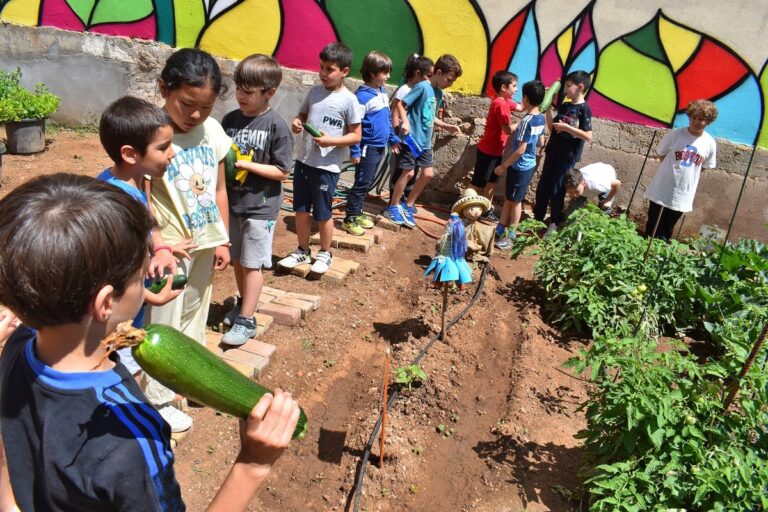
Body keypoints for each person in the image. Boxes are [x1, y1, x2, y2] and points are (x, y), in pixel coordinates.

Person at [0, 174, 300, 511]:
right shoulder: (129, 437)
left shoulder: (18, 346)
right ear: (104, 303)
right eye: (141, 275)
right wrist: (253, 464)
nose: (147, 280)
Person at [146, 48, 233, 424]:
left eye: (206, 106)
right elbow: (141, 197)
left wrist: (224, 238)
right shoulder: (151, 133)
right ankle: (157, 401)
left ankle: (187, 378)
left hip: (205, 242)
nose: (196, 115)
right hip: (170, 249)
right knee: (164, 319)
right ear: (164, 88)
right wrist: (158, 245)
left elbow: (218, 190)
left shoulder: (212, 131)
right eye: (186, 104)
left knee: (194, 312)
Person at [98, 95, 192, 430]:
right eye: (163, 147)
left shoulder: (129, 181)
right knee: (127, 366)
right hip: (119, 318)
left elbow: (147, 214)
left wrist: (161, 246)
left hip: (130, 305)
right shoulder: (116, 203)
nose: (172, 153)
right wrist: (150, 296)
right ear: (130, 153)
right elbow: (111, 271)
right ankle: (131, 425)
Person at [220, 54, 293, 345]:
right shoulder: (230, 120)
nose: (240, 95)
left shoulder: (276, 127)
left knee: (252, 265)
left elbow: (282, 171)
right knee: (238, 261)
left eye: (248, 91)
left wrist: (248, 166)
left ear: (269, 92)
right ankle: (243, 304)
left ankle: (247, 320)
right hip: (234, 204)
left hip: (260, 207)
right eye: (238, 88)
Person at [277, 42, 362, 274]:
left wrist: (331, 141)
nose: (323, 73)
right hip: (304, 161)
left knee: (323, 213)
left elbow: (356, 136)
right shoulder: (314, 92)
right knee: (301, 210)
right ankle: (302, 251)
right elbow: (303, 115)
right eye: (321, 67)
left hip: (327, 166)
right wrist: (297, 122)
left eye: (330, 69)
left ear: (344, 71)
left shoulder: (349, 101)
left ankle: (325, 253)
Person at [384, 54, 462, 228]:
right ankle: (393, 206)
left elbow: (430, 115)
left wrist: (446, 125)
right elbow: (401, 105)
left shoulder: (438, 93)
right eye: (449, 79)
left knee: (428, 174)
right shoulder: (422, 87)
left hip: (425, 142)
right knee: (409, 173)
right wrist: (405, 122)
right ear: (439, 72)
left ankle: (408, 205)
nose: (450, 84)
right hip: (411, 139)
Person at [343, 51, 400, 236]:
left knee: (366, 183)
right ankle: (350, 218)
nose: (388, 76)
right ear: (373, 73)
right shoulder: (362, 97)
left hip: (379, 147)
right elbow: (354, 126)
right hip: (367, 148)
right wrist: (355, 151)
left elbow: (386, 120)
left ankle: (358, 213)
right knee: (361, 183)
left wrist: (392, 139)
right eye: (385, 73)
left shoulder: (382, 92)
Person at [644, 99, 718, 241]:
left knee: (668, 226)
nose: (696, 122)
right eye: (693, 117)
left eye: (701, 119)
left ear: (708, 121)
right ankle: (644, 249)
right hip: (662, 186)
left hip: (683, 192)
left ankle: (659, 255)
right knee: (653, 222)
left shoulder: (709, 143)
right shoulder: (676, 134)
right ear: (689, 117)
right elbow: (661, 153)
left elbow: (705, 167)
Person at [533, 70, 593, 233]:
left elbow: (588, 136)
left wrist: (568, 128)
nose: (565, 89)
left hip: (567, 156)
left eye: (568, 86)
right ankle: (537, 219)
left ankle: (554, 222)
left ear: (580, 87)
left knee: (557, 189)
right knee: (543, 186)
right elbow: (552, 127)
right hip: (553, 151)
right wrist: (546, 108)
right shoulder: (565, 106)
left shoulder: (584, 109)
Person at [493, 80, 546, 249]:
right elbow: (540, 142)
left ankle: (512, 235)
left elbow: (520, 150)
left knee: (516, 202)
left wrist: (503, 166)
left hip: (519, 166)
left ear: (525, 98)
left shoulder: (526, 122)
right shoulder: (540, 118)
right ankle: (501, 227)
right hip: (528, 166)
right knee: (510, 198)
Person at [470, 70, 523, 222]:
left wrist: (534, 97)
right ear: (504, 87)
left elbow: (521, 107)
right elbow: (507, 129)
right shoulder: (500, 104)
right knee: (477, 183)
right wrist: (521, 124)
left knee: (492, 182)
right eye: (514, 86)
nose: (516, 89)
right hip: (488, 151)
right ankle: (465, 207)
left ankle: (486, 210)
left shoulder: (505, 101)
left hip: (496, 151)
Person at [388, 54, 434, 204]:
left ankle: (404, 200)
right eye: (428, 75)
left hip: (413, 138)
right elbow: (395, 110)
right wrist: (395, 137)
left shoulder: (421, 89)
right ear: (418, 73)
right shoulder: (405, 90)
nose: (430, 79)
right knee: (403, 170)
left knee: (412, 172)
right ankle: (393, 201)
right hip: (404, 137)